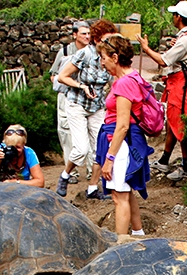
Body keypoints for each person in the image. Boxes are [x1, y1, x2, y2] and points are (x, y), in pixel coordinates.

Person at [137, 1, 187, 181]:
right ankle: (165, 159)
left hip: (182, 88)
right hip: (181, 86)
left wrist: (146, 48)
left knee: (180, 124)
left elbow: (163, 61)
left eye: (174, 14)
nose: (173, 17)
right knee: (173, 123)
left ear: (179, 17)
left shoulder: (186, 40)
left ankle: (186, 167)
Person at [96, 35, 153, 235]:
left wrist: (109, 159)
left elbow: (122, 126)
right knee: (127, 192)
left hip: (120, 144)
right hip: (123, 142)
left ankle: (119, 244)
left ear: (114, 57)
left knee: (118, 197)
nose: (102, 62)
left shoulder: (123, 84)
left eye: (103, 57)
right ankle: (138, 234)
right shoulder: (131, 76)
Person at [55, 19, 117, 200]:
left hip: (97, 106)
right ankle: (65, 175)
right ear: (97, 39)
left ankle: (92, 188)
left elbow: (114, 81)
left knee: (101, 148)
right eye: (106, 39)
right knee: (81, 149)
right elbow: (62, 77)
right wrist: (81, 86)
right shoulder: (85, 54)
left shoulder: (110, 56)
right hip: (77, 104)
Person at [50, 21, 93, 184]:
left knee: (91, 131)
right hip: (67, 96)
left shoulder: (94, 52)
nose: (87, 36)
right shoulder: (65, 52)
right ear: (75, 35)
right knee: (66, 132)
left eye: (89, 33)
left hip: (87, 96)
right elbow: (53, 75)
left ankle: (92, 170)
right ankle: (72, 172)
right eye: (83, 33)